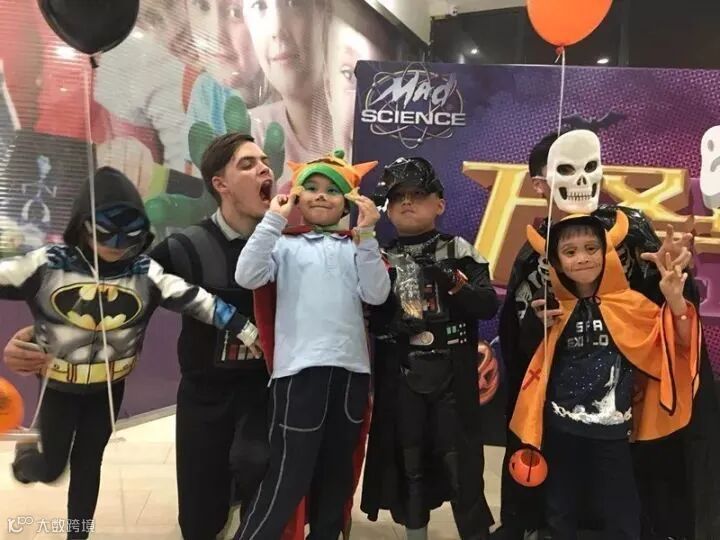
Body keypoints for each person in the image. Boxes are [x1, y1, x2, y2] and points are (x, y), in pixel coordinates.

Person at [4, 133, 276, 540]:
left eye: (266, 160)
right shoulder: (181, 250)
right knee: (197, 520)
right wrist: (30, 337)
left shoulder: (291, 246)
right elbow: (109, 289)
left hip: (265, 394)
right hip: (201, 398)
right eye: (248, 163)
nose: (265, 168)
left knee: (258, 474)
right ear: (219, 183)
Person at [495, 129, 720, 539]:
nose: (581, 180)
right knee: (563, 505)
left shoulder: (629, 228)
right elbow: (519, 341)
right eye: (566, 169)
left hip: (627, 400)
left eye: (590, 167)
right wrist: (535, 326)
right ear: (540, 183)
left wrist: (674, 283)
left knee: (626, 502)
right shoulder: (535, 250)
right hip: (562, 408)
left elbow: (666, 320)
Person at [511, 211, 699, 539]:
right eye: (570, 252)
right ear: (556, 261)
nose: (582, 258)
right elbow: (528, 359)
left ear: (606, 251)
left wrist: (675, 300)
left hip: (613, 433)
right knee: (559, 511)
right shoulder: (551, 309)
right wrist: (533, 324)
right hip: (560, 430)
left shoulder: (631, 305)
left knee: (622, 513)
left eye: (591, 248)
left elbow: (679, 344)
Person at [234, 149, 390, 540]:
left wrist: (368, 235)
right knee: (288, 475)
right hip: (298, 375)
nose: (322, 195)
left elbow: (376, 294)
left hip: (351, 375)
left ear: (348, 202)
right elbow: (247, 275)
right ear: (296, 195)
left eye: (333, 190)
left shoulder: (359, 246)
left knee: (337, 475)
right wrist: (273, 220)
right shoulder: (284, 246)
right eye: (312, 187)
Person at [360, 157, 498, 540]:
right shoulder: (379, 256)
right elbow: (369, 312)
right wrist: (391, 323)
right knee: (409, 461)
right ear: (387, 208)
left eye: (418, 194)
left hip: (454, 373)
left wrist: (452, 279)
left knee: (462, 465)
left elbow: (487, 305)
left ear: (439, 204)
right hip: (401, 373)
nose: (407, 202)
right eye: (398, 196)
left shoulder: (460, 249)